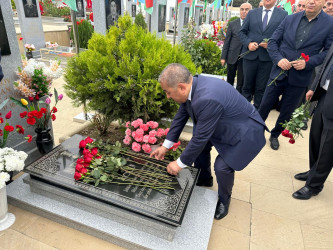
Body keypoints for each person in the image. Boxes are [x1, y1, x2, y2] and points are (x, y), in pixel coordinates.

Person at [150, 63, 267, 220]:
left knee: (222, 166)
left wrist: (179, 164)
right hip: (223, 124)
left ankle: (224, 200)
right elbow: (180, 118)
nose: (168, 97)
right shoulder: (193, 85)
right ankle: (204, 178)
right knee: (200, 149)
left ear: (181, 87)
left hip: (244, 133)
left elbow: (200, 137)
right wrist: (165, 146)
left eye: (168, 92)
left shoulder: (207, 98)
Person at [258, 0, 333, 150]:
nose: (311, 2)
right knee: (264, 105)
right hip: (279, 72)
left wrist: (309, 62)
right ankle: (255, 131)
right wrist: (279, 59)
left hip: (301, 76)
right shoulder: (290, 18)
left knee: (287, 110)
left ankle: (275, 135)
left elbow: (328, 52)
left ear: (323, 2)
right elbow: (273, 42)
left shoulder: (330, 23)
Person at [292, 43, 333, 200]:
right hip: (324, 94)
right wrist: (314, 88)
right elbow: (326, 65)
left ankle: (314, 185)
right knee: (315, 135)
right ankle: (313, 170)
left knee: (328, 146)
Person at [239, 0, 287, 109]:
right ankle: (243, 111)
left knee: (261, 88)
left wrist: (271, 45)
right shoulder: (252, 13)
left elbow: (284, 36)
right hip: (250, 57)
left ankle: (257, 114)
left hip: (267, 59)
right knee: (246, 86)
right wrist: (248, 43)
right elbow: (242, 32)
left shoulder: (283, 15)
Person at [221, 3, 252, 93]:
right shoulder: (232, 24)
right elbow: (227, 41)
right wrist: (223, 57)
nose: (244, 12)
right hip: (232, 55)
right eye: (242, 9)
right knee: (230, 78)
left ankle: (238, 97)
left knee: (241, 80)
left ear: (251, 11)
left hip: (245, 56)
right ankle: (228, 94)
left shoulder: (253, 25)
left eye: (246, 9)